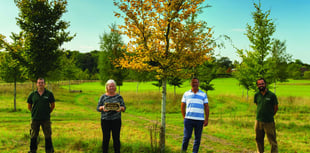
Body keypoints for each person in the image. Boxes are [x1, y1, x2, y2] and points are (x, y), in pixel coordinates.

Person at [181, 77, 209, 153]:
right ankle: (183, 151)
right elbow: (182, 106)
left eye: (196, 82)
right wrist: (184, 117)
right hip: (188, 119)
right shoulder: (186, 94)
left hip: (199, 120)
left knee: (197, 138)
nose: (195, 84)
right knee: (186, 137)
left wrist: (206, 119)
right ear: (191, 84)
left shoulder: (203, 94)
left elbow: (206, 107)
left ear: (198, 84)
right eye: (193, 82)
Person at [97, 79, 126, 153]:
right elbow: (98, 108)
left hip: (116, 120)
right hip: (105, 120)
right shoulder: (103, 97)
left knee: (116, 138)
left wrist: (120, 108)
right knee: (106, 138)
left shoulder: (119, 97)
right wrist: (103, 108)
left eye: (113, 86)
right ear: (107, 87)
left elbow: (124, 108)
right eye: (110, 86)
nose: (111, 88)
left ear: (115, 87)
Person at [27, 78, 55, 153]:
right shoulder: (32, 94)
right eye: (39, 83)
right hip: (35, 119)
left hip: (46, 119)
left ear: (44, 84)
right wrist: (34, 112)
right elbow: (29, 106)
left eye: (42, 83)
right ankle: (32, 150)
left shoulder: (49, 94)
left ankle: (49, 150)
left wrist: (48, 112)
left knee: (48, 135)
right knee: (33, 135)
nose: (40, 84)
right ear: (37, 84)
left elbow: (52, 105)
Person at [254, 78, 278, 153]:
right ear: (257, 86)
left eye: (262, 83)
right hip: (258, 121)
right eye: (259, 84)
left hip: (269, 122)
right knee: (258, 139)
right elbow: (257, 105)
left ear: (265, 84)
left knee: (272, 140)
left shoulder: (272, 95)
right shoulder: (256, 95)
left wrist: (269, 115)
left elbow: (276, 108)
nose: (261, 85)